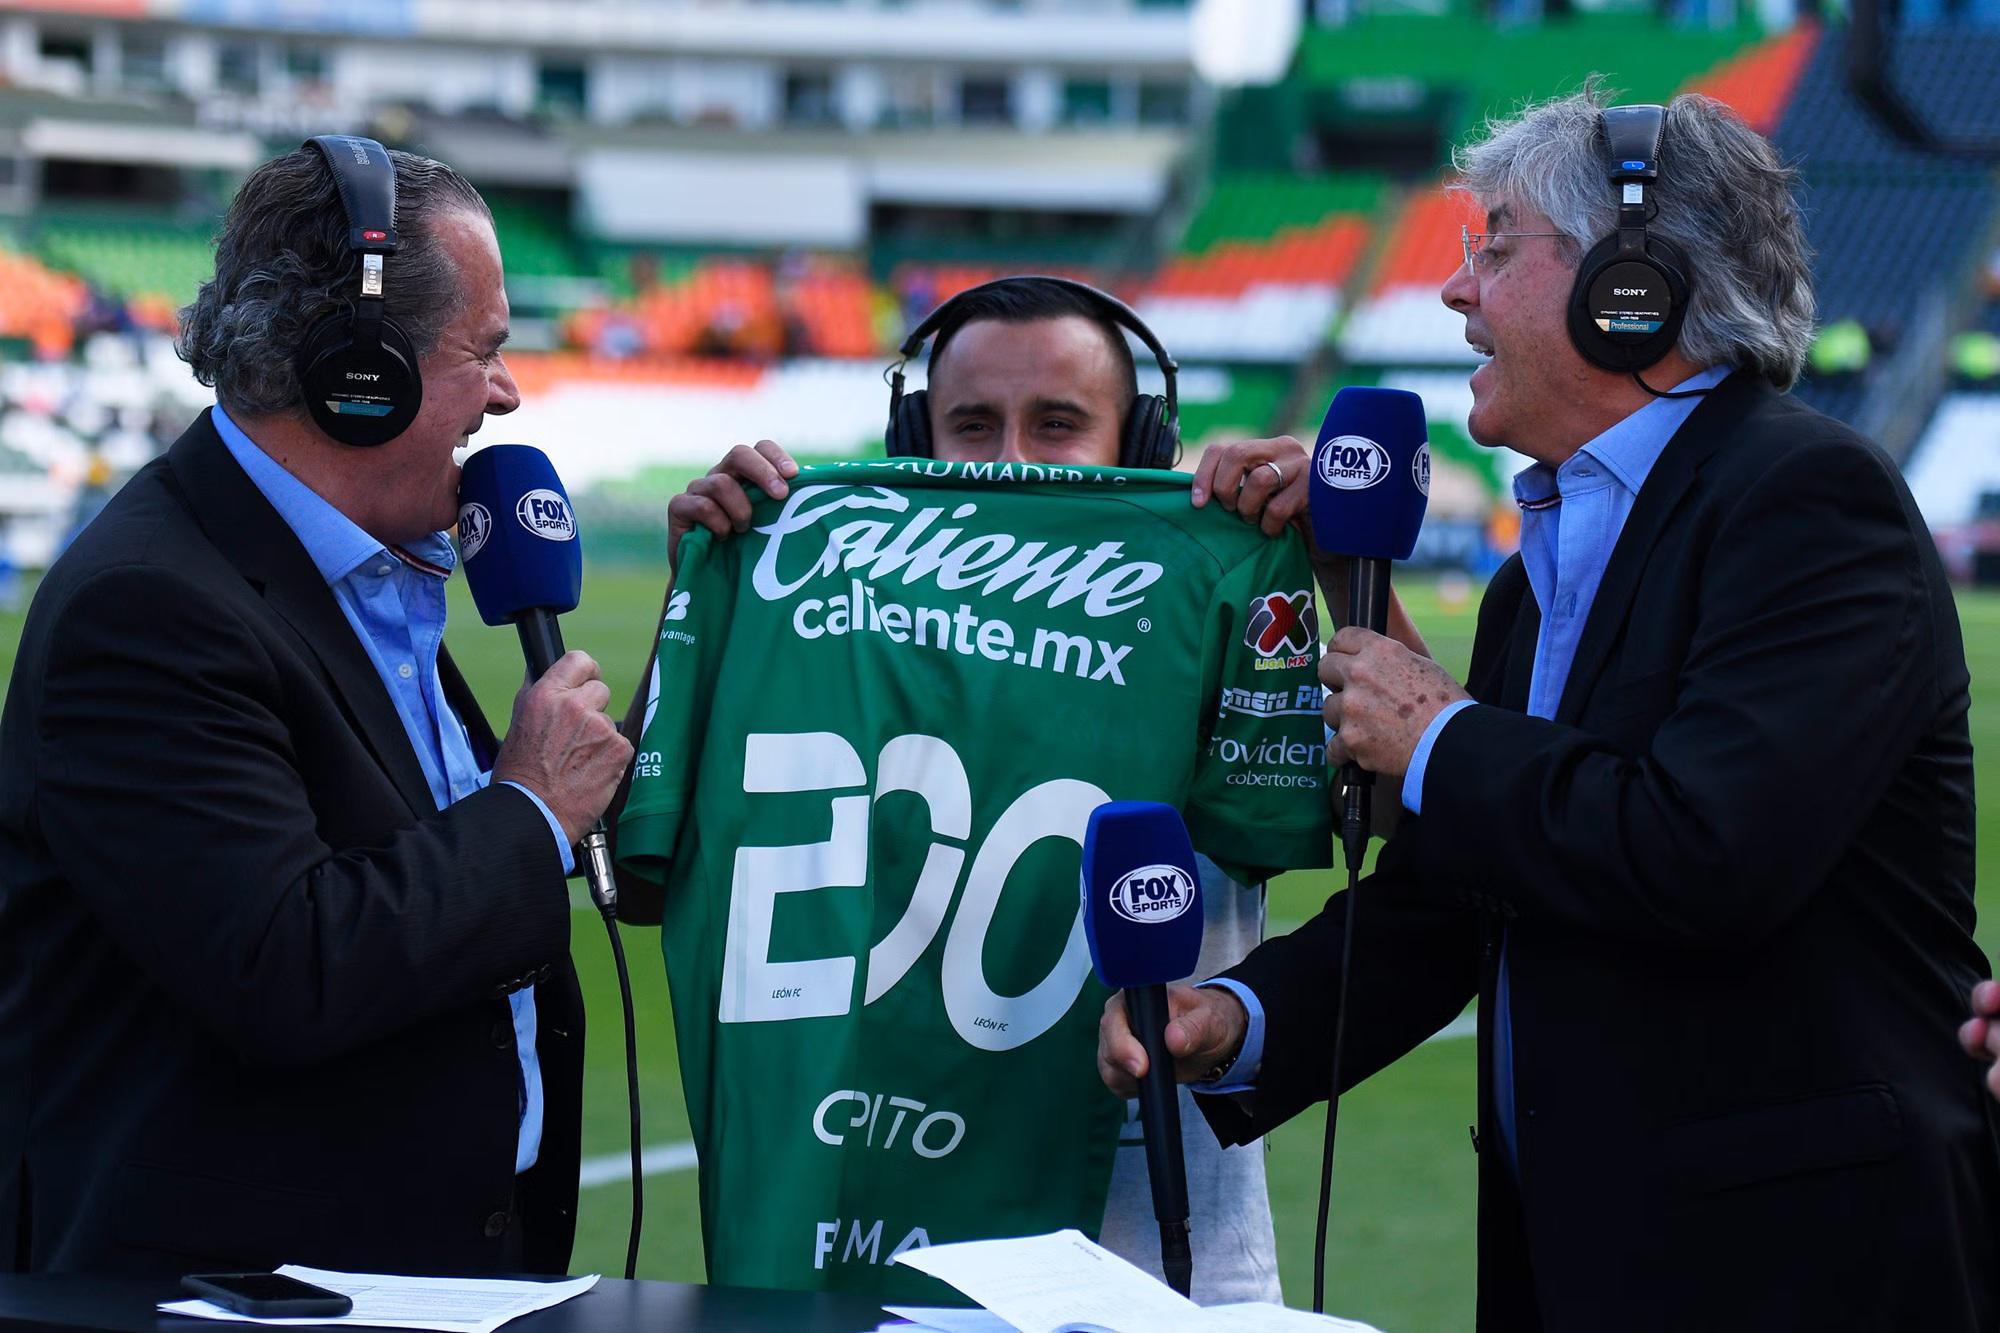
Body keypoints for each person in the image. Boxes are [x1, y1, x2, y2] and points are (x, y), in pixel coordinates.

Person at [1099, 92, 1999, 1331]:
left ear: (1631, 290)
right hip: (1584, 1263)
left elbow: (1705, 850)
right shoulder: (1536, 573)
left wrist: (1437, 734)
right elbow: (1476, 887)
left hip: (1799, 1270)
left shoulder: (1806, 497)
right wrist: (1239, 1018)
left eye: (1495, 244)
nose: (1452, 289)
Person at [634, 276, 1421, 1303]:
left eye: (1056, 423)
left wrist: (1337, 565)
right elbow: (630, 855)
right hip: (863, 1231)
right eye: (971, 424)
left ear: (1141, 445)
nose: (1009, 457)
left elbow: (1416, 815)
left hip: (1154, 1256)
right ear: (914, 437)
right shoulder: (805, 575)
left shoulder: (1209, 580)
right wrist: (706, 593)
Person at [0, 140, 631, 1277]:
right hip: (238, 1295)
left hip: (421, 1278)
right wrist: (529, 809)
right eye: (484, 350)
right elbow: (284, 966)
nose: (507, 391)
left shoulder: (369, 565)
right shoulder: (145, 608)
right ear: (361, 371)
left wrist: (707, 611)